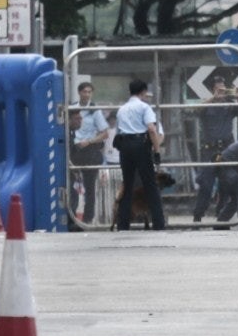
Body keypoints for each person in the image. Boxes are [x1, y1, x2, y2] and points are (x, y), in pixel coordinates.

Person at [112, 78, 166, 231]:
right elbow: (152, 129)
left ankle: (123, 224)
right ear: (143, 91)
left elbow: (118, 131)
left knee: (127, 185)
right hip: (140, 145)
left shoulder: (122, 109)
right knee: (150, 185)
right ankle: (159, 223)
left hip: (125, 146)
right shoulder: (144, 107)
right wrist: (157, 151)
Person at [190, 75, 238, 223]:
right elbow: (195, 111)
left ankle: (221, 214)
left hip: (226, 149)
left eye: (223, 88)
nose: (221, 92)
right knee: (206, 184)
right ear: (212, 90)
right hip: (210, 149)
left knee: (226, 183)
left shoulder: (229, 105)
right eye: (217, 88)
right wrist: (213, 98)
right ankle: (198, 215)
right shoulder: (207, 105)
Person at [68, 81, 111, 224]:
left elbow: (104, 133)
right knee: (70, 184)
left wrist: (90, 141)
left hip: (89, 150)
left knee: (90, 187)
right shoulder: (72, 108)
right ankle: (71, 217)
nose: (87, 94)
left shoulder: (94, 110)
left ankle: (88, 218)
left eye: (89, 92)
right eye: (84, 91)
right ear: (79, 92)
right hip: (74, 149)